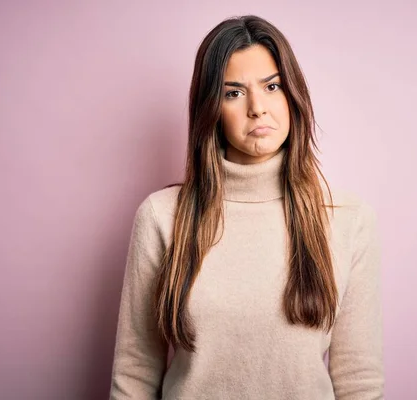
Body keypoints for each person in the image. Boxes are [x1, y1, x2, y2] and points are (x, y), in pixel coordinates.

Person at [109, 14, 384, 400]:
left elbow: (360, 382)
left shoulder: (348, 220)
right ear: (211, 109)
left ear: (293, 95)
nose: (257, 107)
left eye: (272, 86)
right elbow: (134, 375)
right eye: (233, 93)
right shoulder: (162, 216)